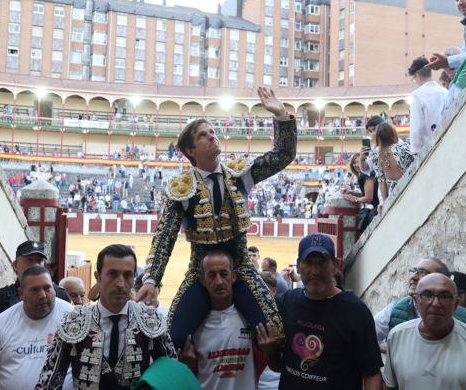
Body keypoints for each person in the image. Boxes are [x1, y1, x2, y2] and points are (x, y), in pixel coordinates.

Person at [136, 87, 297, 349]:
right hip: (200, 272)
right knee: (172, 340)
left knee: (275, 330)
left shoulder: (240, 172)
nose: (212, 137)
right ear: (191, 150)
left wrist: (281, 115)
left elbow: (282, 156)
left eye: (212, 132)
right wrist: (152, 279)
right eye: (203, 135)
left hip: (241, 268)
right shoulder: (181, 188)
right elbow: (164, 236)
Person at [36, 244, 176, 388]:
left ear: (134, 277)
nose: (120, 284)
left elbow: (173, 377)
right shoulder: (73, 321)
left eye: (127, 275)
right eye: (112, 274)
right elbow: (49, 381)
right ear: (98, 277)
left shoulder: (151, 320)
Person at [256, 234, 383, 390]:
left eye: (321, 263)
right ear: (298, 265)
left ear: (334, 265)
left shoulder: (355, 312)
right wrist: (270, 352)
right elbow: (279, 367)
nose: (315, 271)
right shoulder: (285, 303)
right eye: (308, 263)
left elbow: (372, 373)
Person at [383, 274, 466, 389]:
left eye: (444, 296)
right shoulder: (397, 337)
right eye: (427, 294)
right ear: (417, 300)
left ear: (456, 304)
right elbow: (390, 386)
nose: (435, 303)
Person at [0, 266, 73, 390]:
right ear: (21, 294)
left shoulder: (72, 316)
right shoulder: (1, 322)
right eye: (35, 290)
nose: (42, 295)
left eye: (47, 288)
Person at [0, 241, 70, 350]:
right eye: (29, 260)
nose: (35, 265)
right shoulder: (0, 299)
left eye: (39, 261)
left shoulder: (60, 295)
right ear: (15, 265)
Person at [179, 251, 264, 390]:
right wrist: (185, 366)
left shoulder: (251, 318)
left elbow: (271, 363)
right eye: (212, 275)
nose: (218, 282)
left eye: (224, 274)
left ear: (234, 276)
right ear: (203, 280)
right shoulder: (192, 326)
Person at [373, 257, 466, 343]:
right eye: (414, 271)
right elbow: (364, 336)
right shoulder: (394, 310)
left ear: (442, 279)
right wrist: (384, 347)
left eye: (422, 272)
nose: (413, 277)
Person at [407, 57, 448, 155]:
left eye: (414, 79)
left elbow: (416, 127)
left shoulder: (417, 95)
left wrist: (415, 150)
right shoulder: (445, 92)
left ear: (417, 76)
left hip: (431, 147)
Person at [372, 123, 414, 204]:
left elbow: (382, 184)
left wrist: (384, 204)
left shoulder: (378, 157)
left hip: (393, 195)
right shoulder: (403, 148)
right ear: (393, 133)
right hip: (409, 188)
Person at [343, 153, 379, 232]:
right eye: (354, 163)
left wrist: (354, 199)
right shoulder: (365, 174)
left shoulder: (366, 174)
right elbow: (368, 194)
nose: (356, 165)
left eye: (358, 162)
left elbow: (368, 198)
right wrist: (352, 193)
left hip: (377, 208)